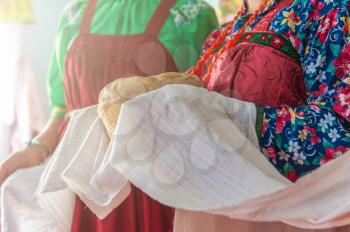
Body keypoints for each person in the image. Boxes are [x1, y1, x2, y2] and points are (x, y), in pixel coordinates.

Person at [0, 0, 218, 231]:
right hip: (80, 182)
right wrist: (37, 147)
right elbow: (62, 111)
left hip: (154, 190)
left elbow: (202, 117)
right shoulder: (75, 13)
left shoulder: (192, 16)